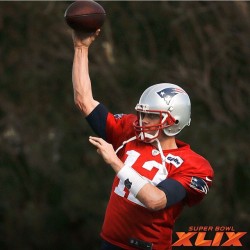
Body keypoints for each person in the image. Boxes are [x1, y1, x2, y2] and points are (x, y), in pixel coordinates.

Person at [71, 30, 214, 250]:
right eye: (142, 113)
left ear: (173, 121)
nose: (142, 121)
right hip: (109, 244)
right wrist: (81, 48)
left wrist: (116, 163)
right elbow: (84, 101)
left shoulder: (194, 166)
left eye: (151, 115)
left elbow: (156, 200)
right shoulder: (129, 132)